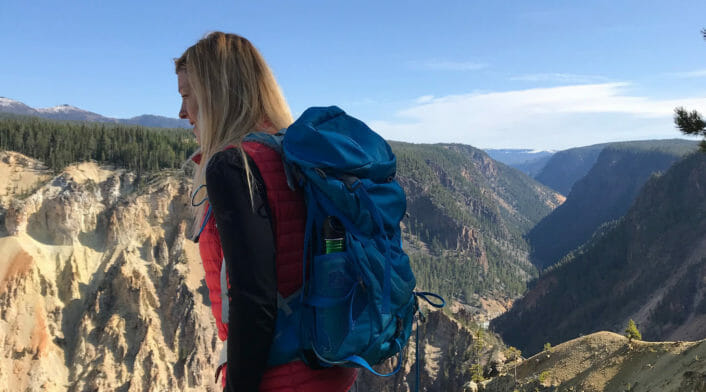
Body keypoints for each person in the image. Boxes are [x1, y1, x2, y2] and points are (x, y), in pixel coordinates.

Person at [175, 32, 358, 392]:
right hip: (332, 369)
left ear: (215, 92)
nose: (182, 112)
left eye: (186, 95)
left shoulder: (232, 165)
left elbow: (254, 301)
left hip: (281, 377)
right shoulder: (295, 155)